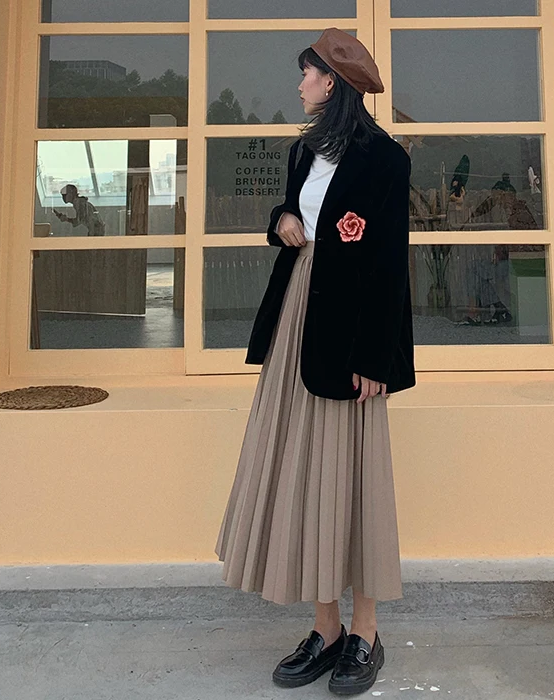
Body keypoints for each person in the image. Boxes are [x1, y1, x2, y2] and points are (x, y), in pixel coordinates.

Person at [213, 27, 415, 696]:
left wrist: (376, 357)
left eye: (307, 73)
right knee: (302, 470)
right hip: (297, 319)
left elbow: (388, 265)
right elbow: (295, 214)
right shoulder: (304, 151)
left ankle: (366, 633)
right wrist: (280, 220)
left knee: (352, 477)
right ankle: (326, 630)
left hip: (352, 335)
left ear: (333, 82)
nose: (299, 84)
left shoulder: (385, 159)